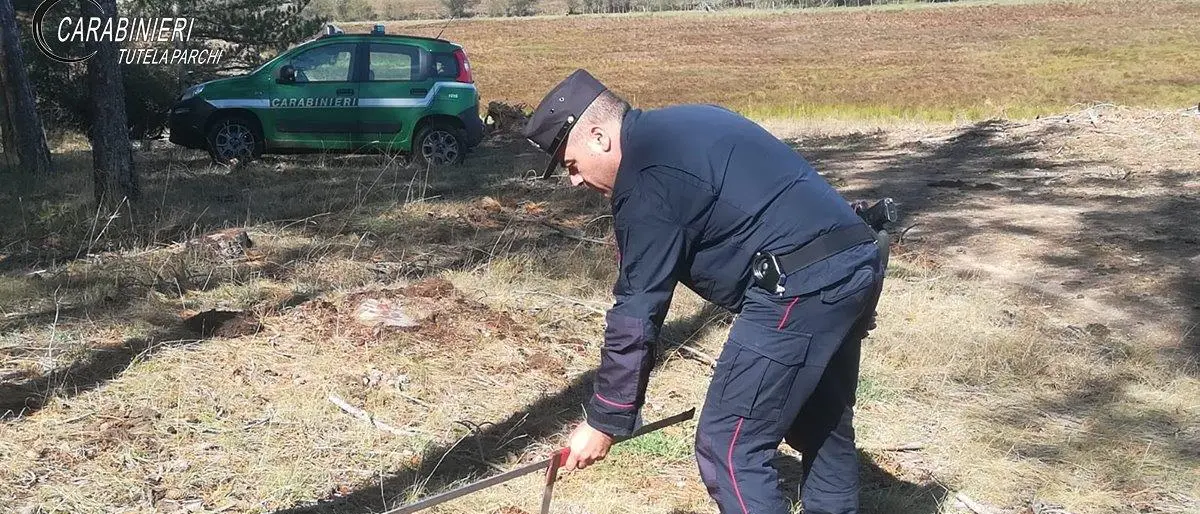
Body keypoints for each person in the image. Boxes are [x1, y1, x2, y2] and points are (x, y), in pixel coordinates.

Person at [521, 69, 885, 514]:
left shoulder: (645, 178)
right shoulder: (689, 120)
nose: (574, 180)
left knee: (728, 445)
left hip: (801, 286)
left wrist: (604, 419)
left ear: (598, 136)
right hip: (855, 256)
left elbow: (637, 311)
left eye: (571, 164)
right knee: (821, 419)